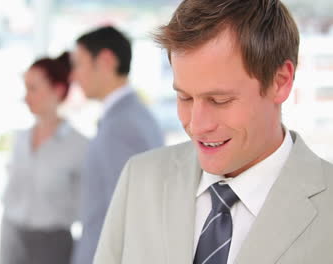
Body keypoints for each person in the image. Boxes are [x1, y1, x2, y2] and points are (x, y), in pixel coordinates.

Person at [94, 0, 333, 263]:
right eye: (184, 98)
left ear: (281, 82)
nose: (197, 125)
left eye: (220, 100)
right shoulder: (139, 179)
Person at [70, 26, 164, 264]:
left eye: (78, 64)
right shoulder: (128, 116)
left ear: (105, 60)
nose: (74, 75)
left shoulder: (123, 126)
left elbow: (130, 216)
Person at [0, 52, 89, 264]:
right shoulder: (20, 140)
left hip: (53, 245)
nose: (25, 97)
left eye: (33, 89)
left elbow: (86, 207)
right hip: (11, 237)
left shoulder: (81, 146)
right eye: (25, 88)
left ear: (57, 90)